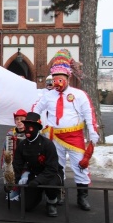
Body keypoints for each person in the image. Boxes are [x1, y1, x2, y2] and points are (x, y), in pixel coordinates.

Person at [33, 49, 99, 211]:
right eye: (55, 79)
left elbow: (88, 113)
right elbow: (36, 108)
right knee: (56, 166)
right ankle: (58, 194)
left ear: (68, 78)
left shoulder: (79, 95)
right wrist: (33, 123)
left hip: (74, 135)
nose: (57, 83)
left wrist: (92, 131)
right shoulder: (48, 95)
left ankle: (82, 196)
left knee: (80, 165)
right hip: (55, 136)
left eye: (60, 79)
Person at [13, 112, 64, 217]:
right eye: (26, 127)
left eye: (30, 128)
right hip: (34, 173)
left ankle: (52, 201)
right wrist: (16, 179)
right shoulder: (22, 145)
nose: (28, 131)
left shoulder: (47, 144)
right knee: (26, 206)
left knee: (50, 185)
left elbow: (52, 168)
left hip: (51, 174)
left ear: (36, 128)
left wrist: (38, 181)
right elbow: (17, 163)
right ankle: (38, 193)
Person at [1, 109, 27, 201]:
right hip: (14, 163)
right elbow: (6, 149)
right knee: (10, 197)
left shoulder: (29, 133)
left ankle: (24, 192)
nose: (19, 121)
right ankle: (14, 189)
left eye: (22, 119)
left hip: (26, 166)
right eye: (17, 119)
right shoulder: (11, 133)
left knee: (25, 180)